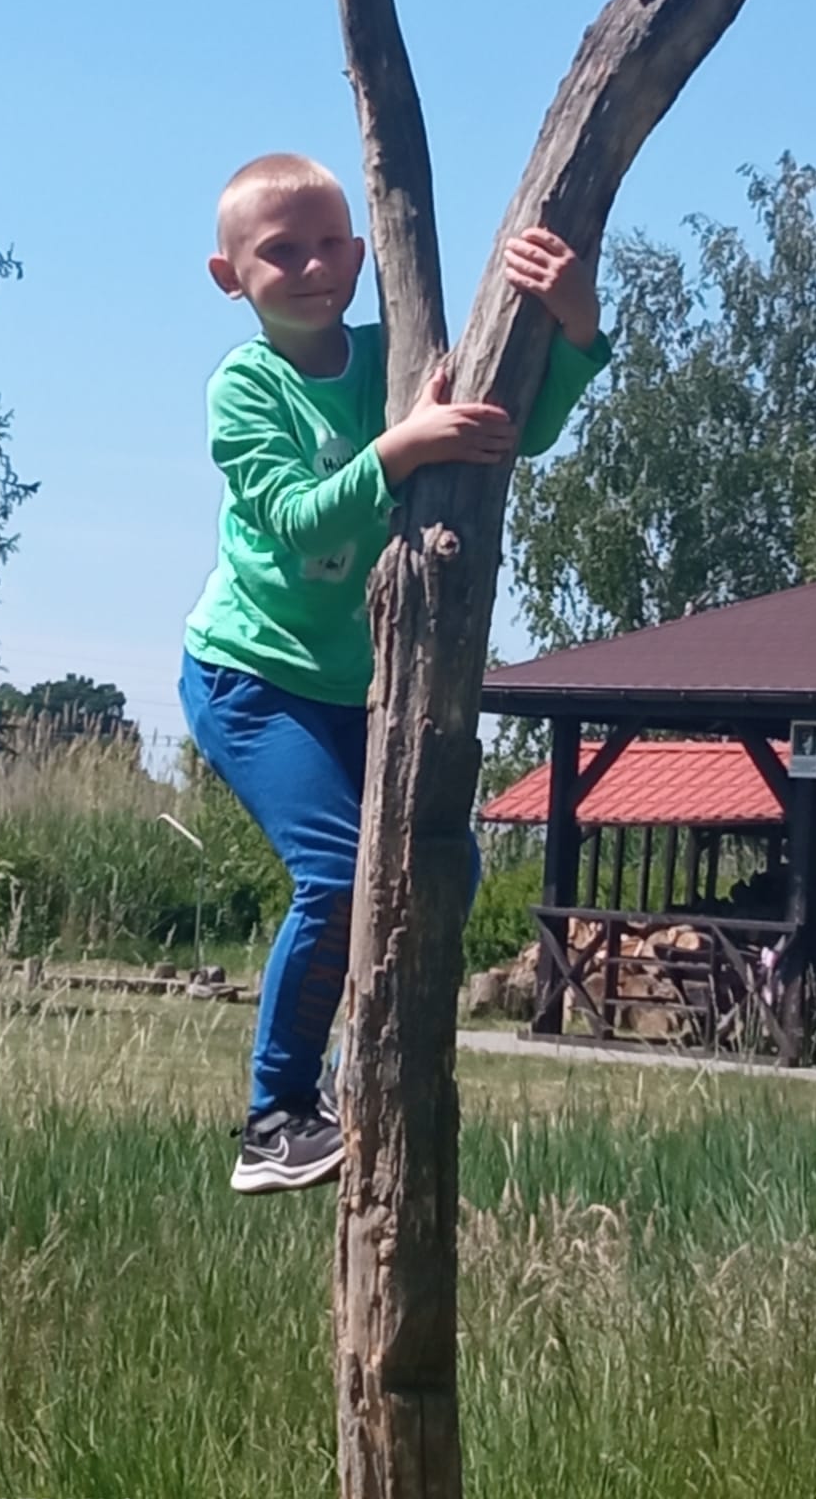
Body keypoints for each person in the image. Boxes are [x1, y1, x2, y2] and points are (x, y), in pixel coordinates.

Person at [181, 153, 609, 1193]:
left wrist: (577, 332)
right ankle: (275, 1116)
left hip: (359, 687)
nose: (313, 266)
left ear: (364, 252)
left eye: (331, 243)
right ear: (230, 277)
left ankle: (354, 1079)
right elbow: (299, 521)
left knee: (444, 866)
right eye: (281, 251)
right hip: (253, 676)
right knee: (338, 876)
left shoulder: (394, 354)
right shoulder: (248, 386)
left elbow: (512, 432)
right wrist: (399, 449)